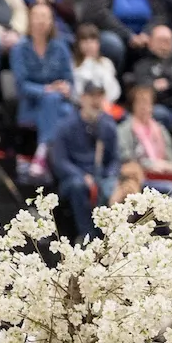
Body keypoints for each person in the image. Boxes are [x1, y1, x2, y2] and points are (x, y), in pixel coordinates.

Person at [49, 81, 119, 239]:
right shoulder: (65, 126)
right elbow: (60, 161)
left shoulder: (107, 126)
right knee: (78, 185)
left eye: (99, 97)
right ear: (82, 98)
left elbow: (114, 159)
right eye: (91, 96)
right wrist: (81, 175)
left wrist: (110, 176)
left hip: (100, 176)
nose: (95, 101)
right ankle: (86, 234)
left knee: (111, 188)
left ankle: (110, 237)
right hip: (74, 180)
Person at [11, 2, 75, 147]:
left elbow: (69, 79)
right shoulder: (19, 49)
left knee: (61, 106)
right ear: (30, 20)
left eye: (45, 17)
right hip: (31, 104)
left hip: (59, 102)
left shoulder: (61, 47)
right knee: (54, 102)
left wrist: (66, 87)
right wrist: (47, 89)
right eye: (37, 16)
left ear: (52, 21)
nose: (41, 21)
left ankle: (43, 152)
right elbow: (21, 86)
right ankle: (49, 151)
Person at [128, 24, 172, 126]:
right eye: (161, 40)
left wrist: (168, 86)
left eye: (168, 41)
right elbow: (144, 90)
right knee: (159, 113)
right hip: (159, 106)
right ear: (151, 42)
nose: (164, 44)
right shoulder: (142, 65)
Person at [120, 83, 172, 189]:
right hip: (141, 177)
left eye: (147, 103)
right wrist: (151, 165)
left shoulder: (161, 129)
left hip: (165, 175)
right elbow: (127, 158)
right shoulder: (125, 129)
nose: (144, 107)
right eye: (140, 103)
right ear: (133, 106)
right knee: (171, 189)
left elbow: (171, 158)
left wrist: (165, 166)